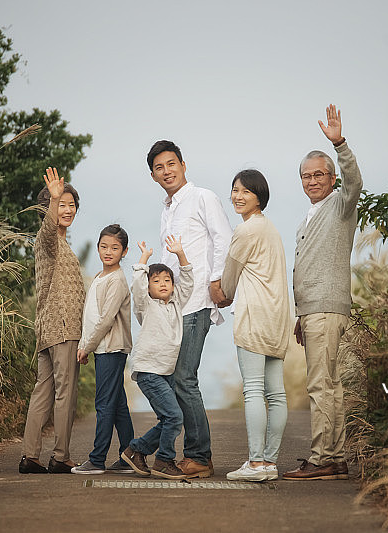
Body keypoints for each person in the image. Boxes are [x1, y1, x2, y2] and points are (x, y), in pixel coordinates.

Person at [283, 105, 363, 481]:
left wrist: (340, 144)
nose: (313, 181)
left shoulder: (340, 205)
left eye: (319, 174)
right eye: (307, 176)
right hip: (315, 310)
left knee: (321, 385)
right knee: (329, 385)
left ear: (332, 178)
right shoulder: (310, 215)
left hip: (327, 308)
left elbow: (355, 183)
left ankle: (322, 458)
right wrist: (302, 314)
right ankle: (335, 456)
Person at [147, 140, 233, 479]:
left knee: (184, 378)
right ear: (153, 176)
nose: (166, 171)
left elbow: (224, 238)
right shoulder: (167, 209)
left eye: (171, 164)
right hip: (173, 307)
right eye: (159, 168)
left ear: (183, 165)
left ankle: (199, 456)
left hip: (197, 301)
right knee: (173, 379)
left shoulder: (203, 198)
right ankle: (164, 450)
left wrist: (217, 281)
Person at [220, 170, 290, 482]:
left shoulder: (246, 230)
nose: (238, 196)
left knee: (253, 390)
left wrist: (222, 292)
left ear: (259, 197)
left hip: (254, 316)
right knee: (276, 394)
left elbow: (228, 280)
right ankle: (270, 463)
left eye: (246, 191)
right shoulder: (270, 228)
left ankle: (256, 462)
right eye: (235, 190)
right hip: (278, 316)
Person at [19, 168, 85, 474]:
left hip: (48, 327)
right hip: (63, 327)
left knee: (43, 392)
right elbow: (48, 230)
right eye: (61, 205)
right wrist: (54, 198)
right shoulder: (48, 240)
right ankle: (60, 456)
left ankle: (30, 456)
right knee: (65, 394)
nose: (67, 210)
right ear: (48, 209)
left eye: (71, 205)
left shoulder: (62, 244)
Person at [121, 236, 194, 480]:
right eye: (156, 281)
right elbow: (137, 287)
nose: (162, 284)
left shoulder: (176, 303)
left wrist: (181, 255)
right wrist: (144, 259)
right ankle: (163, 460)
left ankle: (136, 451)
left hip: (166, 372)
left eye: (167, 280)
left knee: (168, 419)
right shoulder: (146, 305)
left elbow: (188, 283)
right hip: (149, 371)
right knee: (174, 417)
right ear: (149, 287)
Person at [71, 224, 136, 475]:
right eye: (104, 246)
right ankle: (130, 457)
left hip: (111, 348)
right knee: (117, 405)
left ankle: (97, 460)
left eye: (115, 248)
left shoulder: (117, 280)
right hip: (103, 348)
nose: (108, 252)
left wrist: (86, 346)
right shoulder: (100, 276)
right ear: (98, 247)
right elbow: (91, 315)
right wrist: (85, 343)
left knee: (104, 404)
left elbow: (106, 319)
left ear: (124, 251)